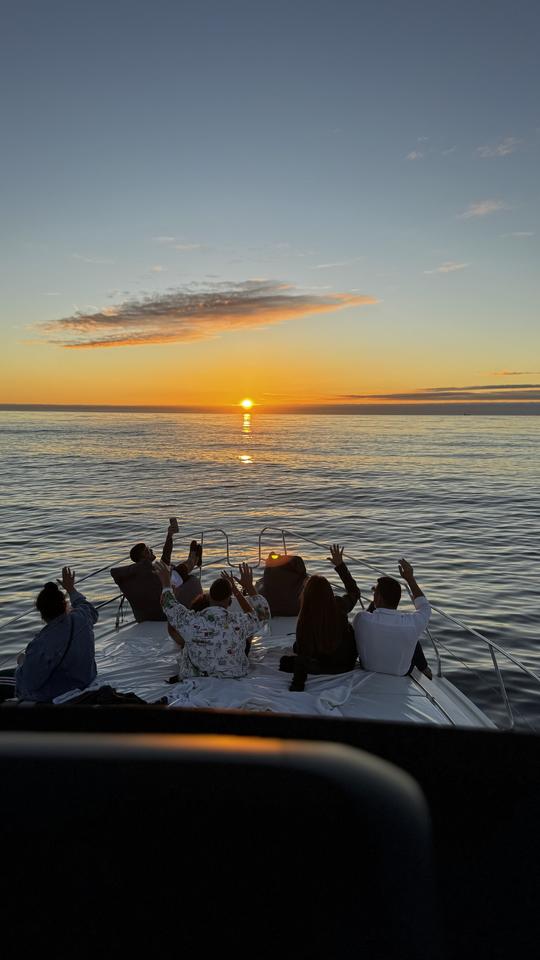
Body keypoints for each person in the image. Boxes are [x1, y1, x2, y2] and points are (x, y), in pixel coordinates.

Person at [154, 560, 270, 679]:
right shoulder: (239, 622)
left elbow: (168, 604)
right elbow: (264, 615)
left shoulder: (190, 621)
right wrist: (249, 587)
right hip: (234, 675)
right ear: (229, 600)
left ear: (208, 597)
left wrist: (166, 583)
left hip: (196, 677)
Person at [279, 544, 360, 691]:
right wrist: (340, 566)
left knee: (287, 660)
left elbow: (303, 657)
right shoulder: (339, 604)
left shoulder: (306, 617)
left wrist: (297, 685)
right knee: (295, 651)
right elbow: (354, 592)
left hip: (321, 665)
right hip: (346, 664)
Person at [14, 567, 98, 702]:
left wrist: (21, 663)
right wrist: (70, 589)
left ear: (41, 612)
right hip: (87, 680)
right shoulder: (82, 617)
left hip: (59, 693)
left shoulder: (41, 643)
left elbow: (28, 684)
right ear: (65, 605)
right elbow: (88, 608)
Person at [353, 558, 432, 679]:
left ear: (378, 599)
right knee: (411, 636)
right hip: (401, 672)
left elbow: (370, 613)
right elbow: (424, 606)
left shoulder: (362, 619)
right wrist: (410, 578)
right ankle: (424, 668)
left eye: (375, 594)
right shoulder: (411, 623)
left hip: (368, 667)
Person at [110, 518, 202, 622]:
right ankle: (194, 558)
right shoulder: (147, 568)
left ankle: (194, 558)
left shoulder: (134, 574)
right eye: (147, 550)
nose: (151, 550)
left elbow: (164, 560)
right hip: (164, 608)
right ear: (144, 556)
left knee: (177, 569)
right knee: (183, 570)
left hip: (144, 616)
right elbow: (166, 556)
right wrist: (170, 534)